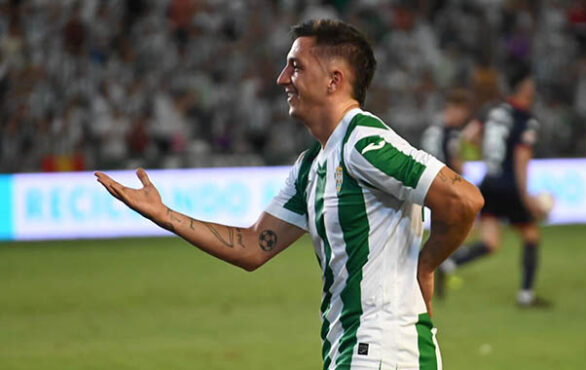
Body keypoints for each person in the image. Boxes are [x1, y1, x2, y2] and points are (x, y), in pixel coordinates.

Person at [95, 19, 483, 370]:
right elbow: (252, 246)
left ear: (334, 80)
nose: (283, 78)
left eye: (296, 66)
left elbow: (465, 199)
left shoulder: (364, 142)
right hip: (355, 351)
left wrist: (426, 264)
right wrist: (165, 215)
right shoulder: (312, 164)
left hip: (383, 351)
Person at [438, 64, 549, 308]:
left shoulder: (492, 110)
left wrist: (483, 155)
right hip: (510, 185)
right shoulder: (525, 119)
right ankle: (526, 296)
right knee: (531, 236)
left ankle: (448, 264)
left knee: (489, 242)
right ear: (525, 87)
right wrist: (526, 195)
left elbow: (466, 136)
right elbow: (521, 159)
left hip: (490, 181)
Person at [420, 89, 472, 174]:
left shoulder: (456, 132)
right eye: (462, 111)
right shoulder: (434, 132)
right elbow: (431, 162)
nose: (464, 116)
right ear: (450, 108)